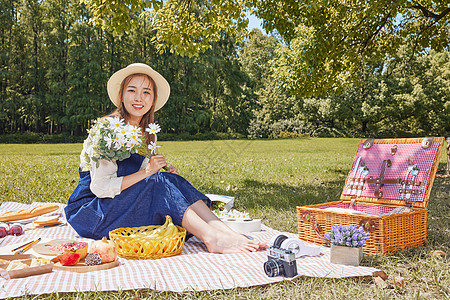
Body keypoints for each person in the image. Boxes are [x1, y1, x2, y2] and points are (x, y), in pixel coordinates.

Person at [65, 63, 266, 253]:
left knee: (170, 180)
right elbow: (100, 188)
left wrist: (169, 184)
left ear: (153, 99)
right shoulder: (107, 129)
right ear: (121, 95)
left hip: (117, 206)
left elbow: (141, 185)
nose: (139, 98)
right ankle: (212, 237)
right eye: (132, 90)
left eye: (146, 92)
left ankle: (225, 232)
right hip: (92, 213)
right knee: (159, 182)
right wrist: (149, 173)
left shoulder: (147, 133)